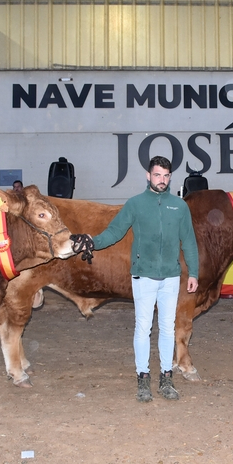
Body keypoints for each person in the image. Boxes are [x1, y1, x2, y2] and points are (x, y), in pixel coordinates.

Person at [80, 156, 199, 402]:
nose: (162, 180)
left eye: (166, 176)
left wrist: (194, 273)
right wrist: (93, 241)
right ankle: (143, 378)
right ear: (148, 175)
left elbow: (189, 241)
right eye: (157, 175)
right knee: (143, 328)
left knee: (167, 329)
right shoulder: (135, 204)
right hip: (143, 275)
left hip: (170, 277)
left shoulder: (180, 206)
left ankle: (167, 378)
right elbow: (115, 231)